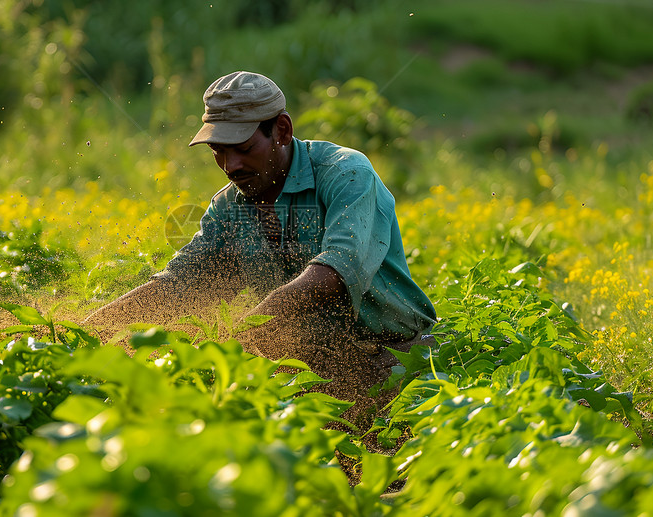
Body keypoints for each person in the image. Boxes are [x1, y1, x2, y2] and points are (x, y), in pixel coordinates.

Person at [85, 70, 436, 409]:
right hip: (304, 371)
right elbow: (177, 286)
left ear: (281, 131)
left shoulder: (345, 173)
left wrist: (248, 330)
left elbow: (335, 272)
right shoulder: (228, 207)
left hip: (395, 357)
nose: (230, 164)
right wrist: (87, 331)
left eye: (242, 147)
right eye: (218, 150)